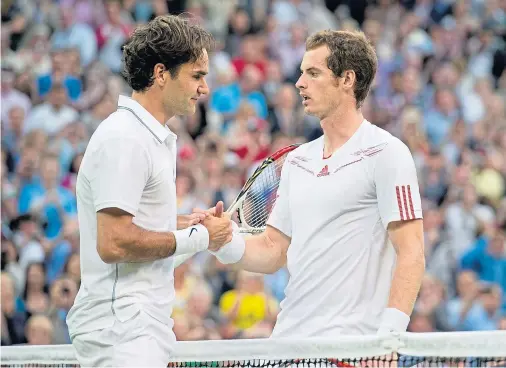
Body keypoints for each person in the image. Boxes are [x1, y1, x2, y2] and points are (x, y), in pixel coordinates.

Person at [197, 30, 425, 338]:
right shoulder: (297, 160)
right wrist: (223, 242)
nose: (299, 83)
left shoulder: (388, 153)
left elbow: (412, 253)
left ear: (347, 79)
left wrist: (389, 337)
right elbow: (272, 250)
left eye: (313, 73)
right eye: (302, 72)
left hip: (351, 348)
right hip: (289, 344)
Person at [66, 15, 233, 367]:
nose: (204, 89)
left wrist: (186, 223)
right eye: (196, 76)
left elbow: (134, 226)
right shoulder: (125, 138)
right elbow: (113, 242)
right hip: (121, 333)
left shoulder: (148, 137)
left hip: (136, 330)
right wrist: (198, 237)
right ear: (161, 74)